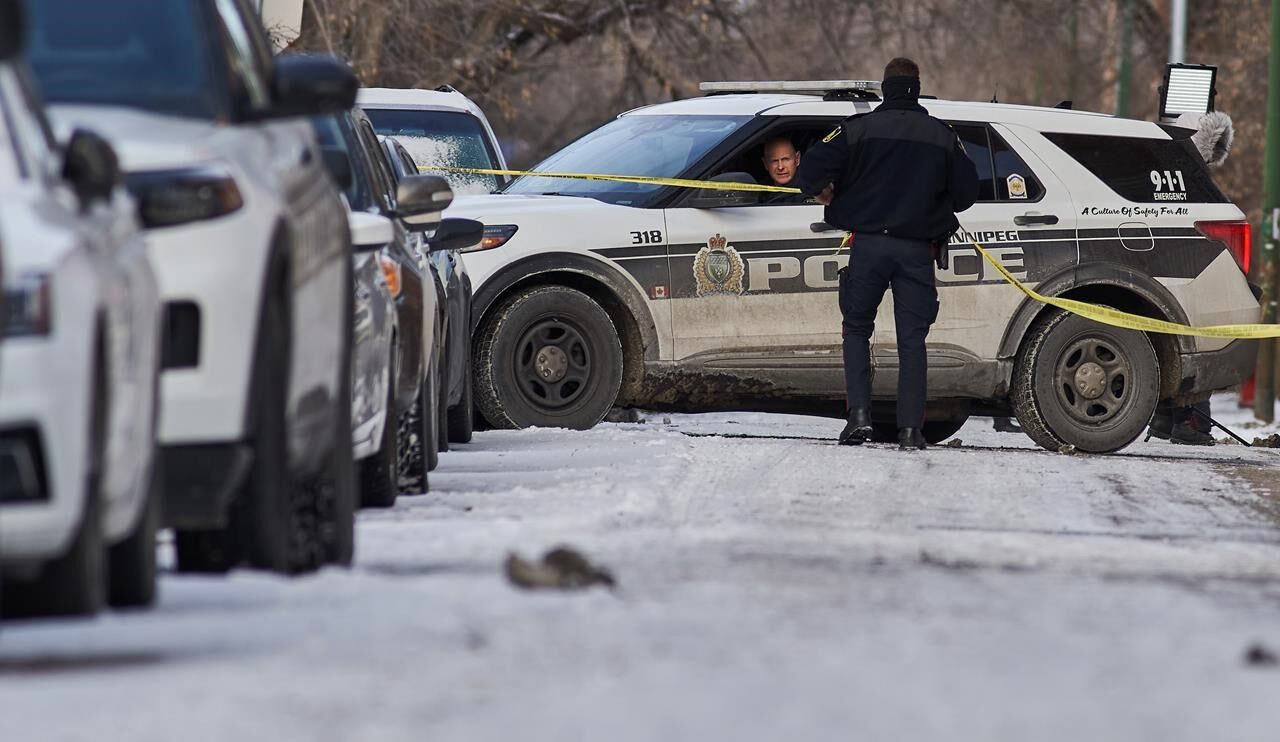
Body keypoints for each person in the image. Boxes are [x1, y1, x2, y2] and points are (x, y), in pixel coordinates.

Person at [795, 57, 979, 450]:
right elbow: (966, 195)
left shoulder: (857, 130)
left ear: (885, 88)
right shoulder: (942, 135)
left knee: (857, 329)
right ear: (917, 85)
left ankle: (858, 419)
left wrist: (827, 191)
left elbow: (808, 171)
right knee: (912, 342)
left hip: (869, 248)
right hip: (916, 252)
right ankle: (911, 431)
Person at [760, 136, 809, 204]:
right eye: (774, 161)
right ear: (765, 164)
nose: (780, 167)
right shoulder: (759, 192)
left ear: (797, 159)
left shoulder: (811, 190)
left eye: (786, 159)